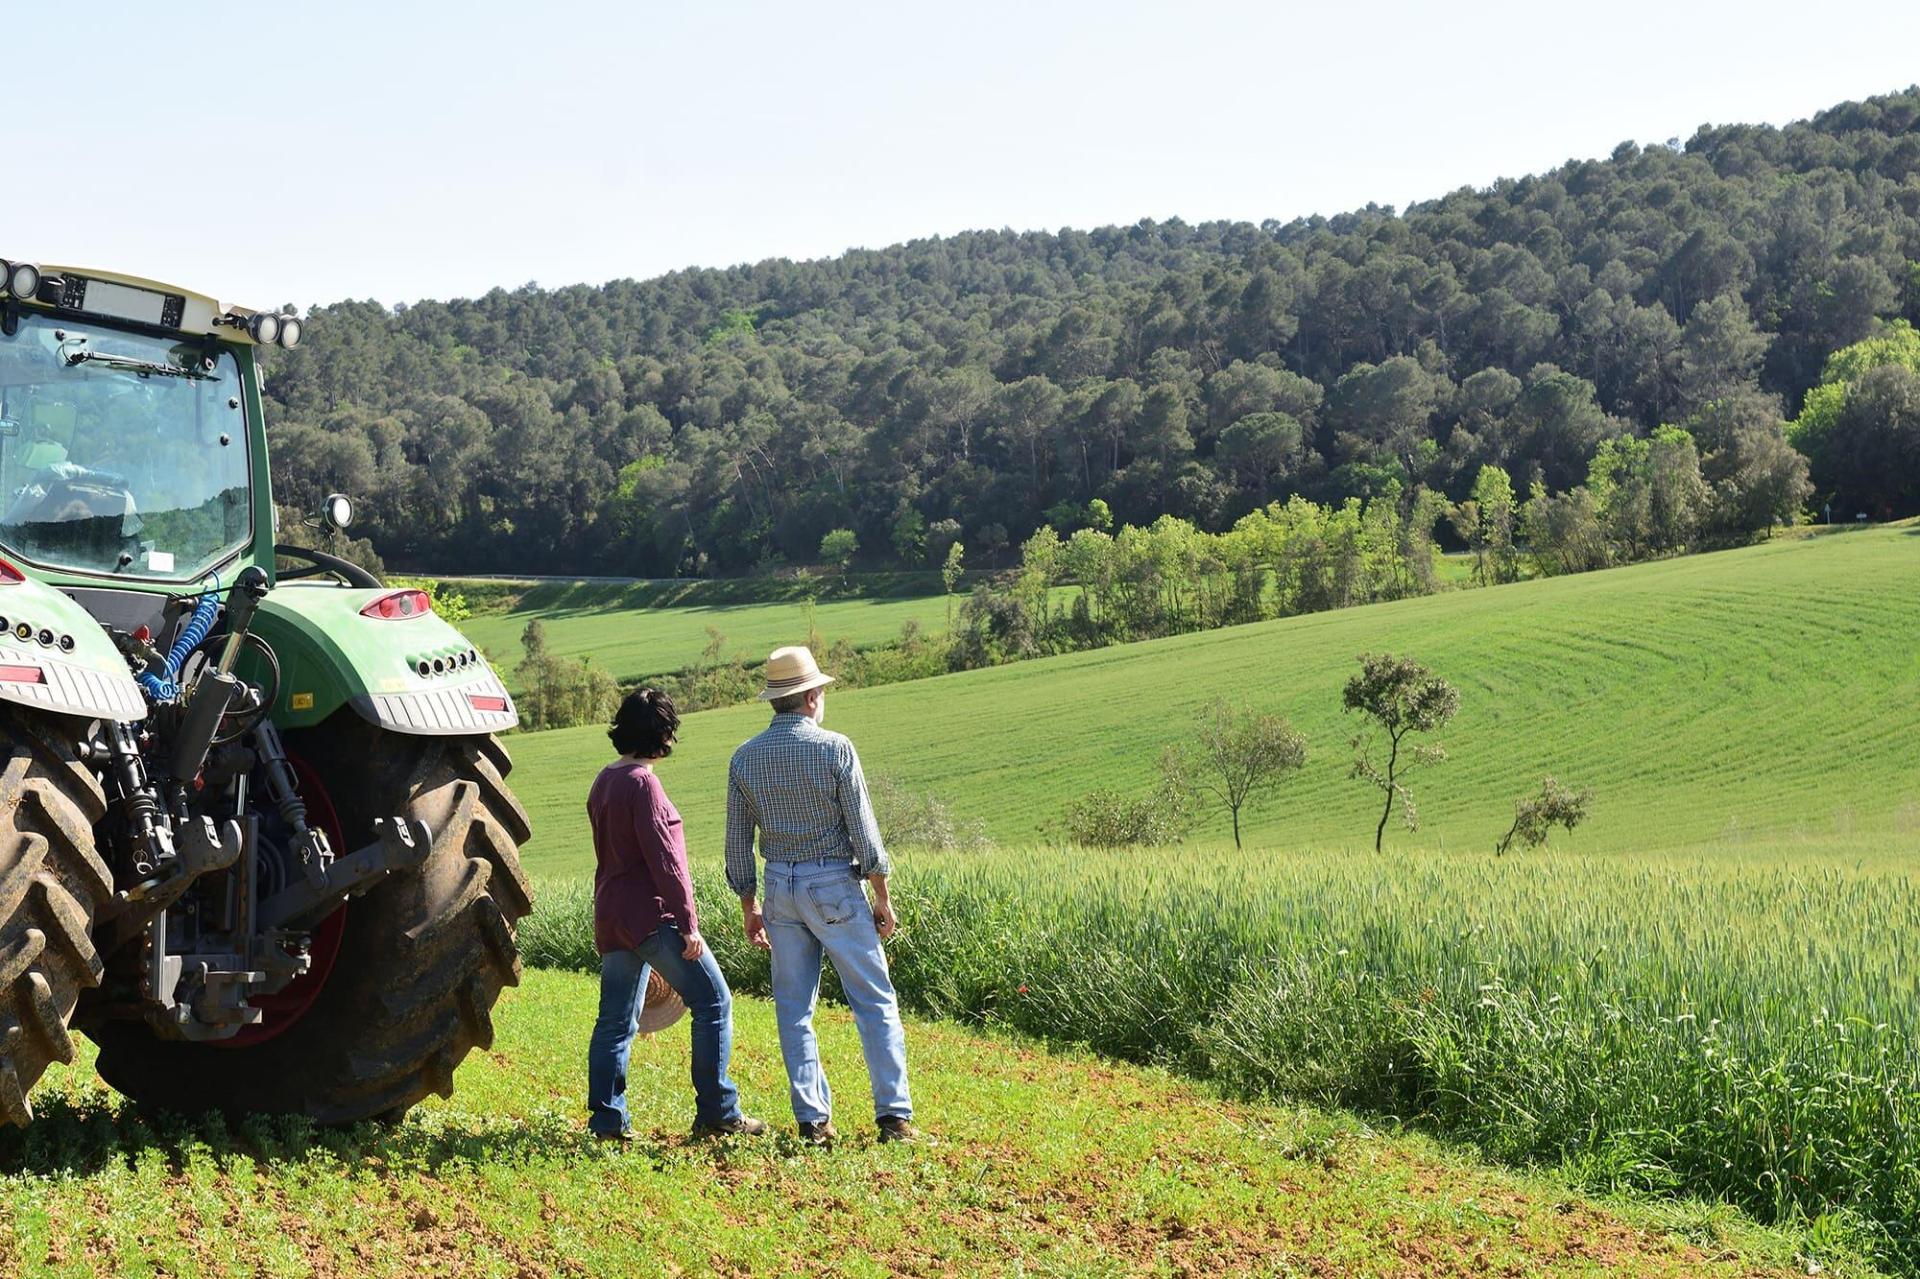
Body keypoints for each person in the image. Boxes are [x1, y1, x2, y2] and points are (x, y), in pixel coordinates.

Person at [725, 646, 921, 1147]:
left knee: (794, 1009)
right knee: (874, 1000)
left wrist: (750, 907)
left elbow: (736, 842)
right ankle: (894, 1118)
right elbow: (864, 832)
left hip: (779, 889)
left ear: (776, 699)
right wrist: (881, 895)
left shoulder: (744, 758)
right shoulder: (836, 749)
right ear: (812, 697)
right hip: (833, 884)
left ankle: (814, 1122)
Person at [586, 688, 766, 1142]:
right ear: (663, 734)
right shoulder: (643, 784)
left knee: (615, 1022)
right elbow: (666, 861)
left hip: (611, 914)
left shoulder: (604, 780)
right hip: (651, 917)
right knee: (714, 1002)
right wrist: (688, 926)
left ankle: (607, 1121)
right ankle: (718, 1112)